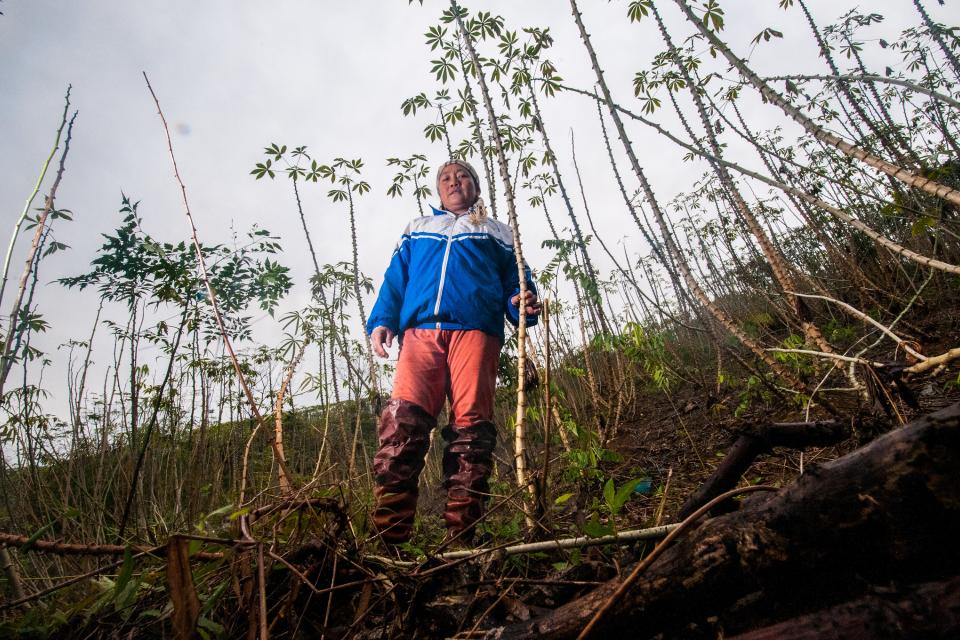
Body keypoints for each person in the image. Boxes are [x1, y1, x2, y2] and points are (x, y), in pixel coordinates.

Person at [366, 159, 541, 546]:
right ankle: (389, 541)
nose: (454, 181)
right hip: (420, 334)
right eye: (446, 177)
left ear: (476, 186)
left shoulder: (496, 231)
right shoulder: (418, 228)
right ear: (438, 189)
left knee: (471, 432)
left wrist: (522, 302)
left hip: (476, 332)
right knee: (401, 428)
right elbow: (396, 279)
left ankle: (461, 539)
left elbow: (518, 281)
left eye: (462, 176)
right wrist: (382, 321)